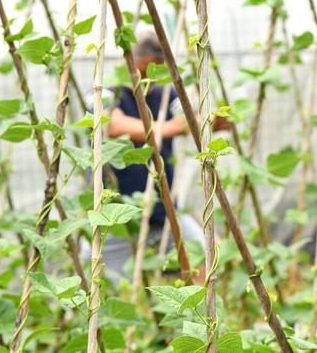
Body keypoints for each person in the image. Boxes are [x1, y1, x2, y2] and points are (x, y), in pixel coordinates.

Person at [94, 32, 226, 283]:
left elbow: (191, 120)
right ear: (135, 63)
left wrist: (213, 121)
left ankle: (197, 315)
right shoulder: (107, 91)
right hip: (115, 212)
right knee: (105, 282)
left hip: (163, 205)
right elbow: (111, 125)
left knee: (202, 258)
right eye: (149, 70)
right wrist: (167, 128)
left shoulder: (165, 95)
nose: (152, 78)